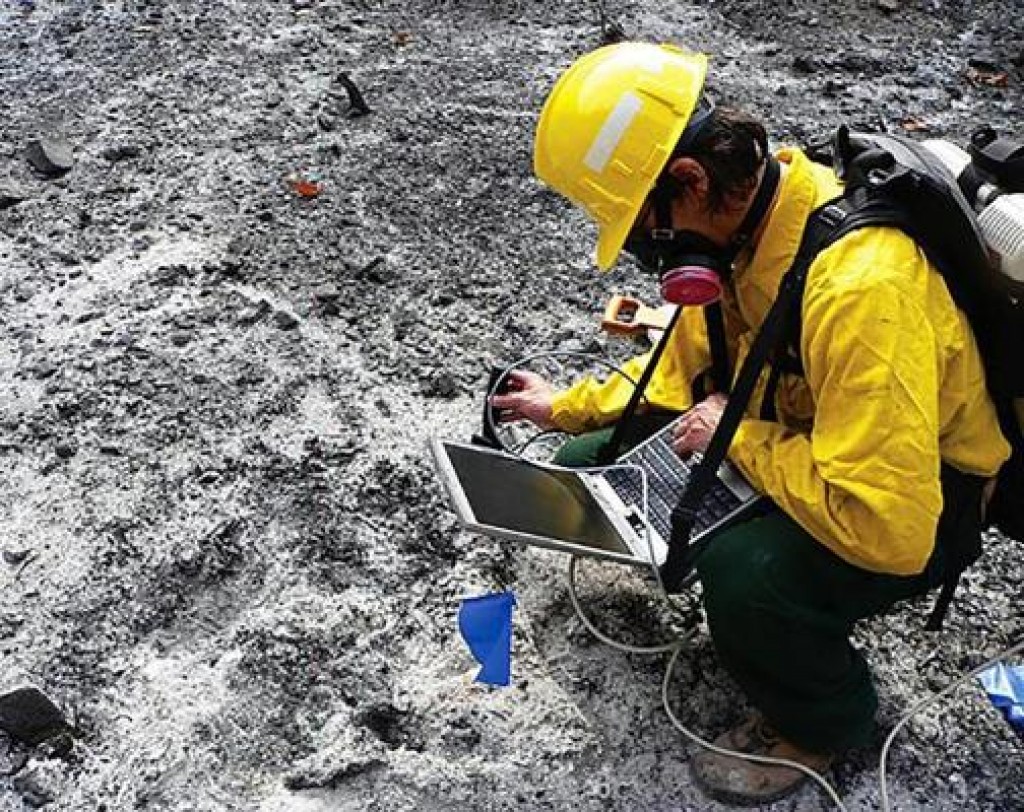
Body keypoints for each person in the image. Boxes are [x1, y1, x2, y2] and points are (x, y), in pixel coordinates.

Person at [491, 41, 1011, 805]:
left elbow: (891, 530)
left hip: (919, 499)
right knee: (591, 455)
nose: (645, 256)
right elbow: (680, 376)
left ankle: (825, 721)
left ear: (690, 181)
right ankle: (696, 531)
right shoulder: (748, 231)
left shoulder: (861, 289)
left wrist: (740, 440)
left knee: (746, 577)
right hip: (803, 439)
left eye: (639, 232)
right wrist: (565, 404)